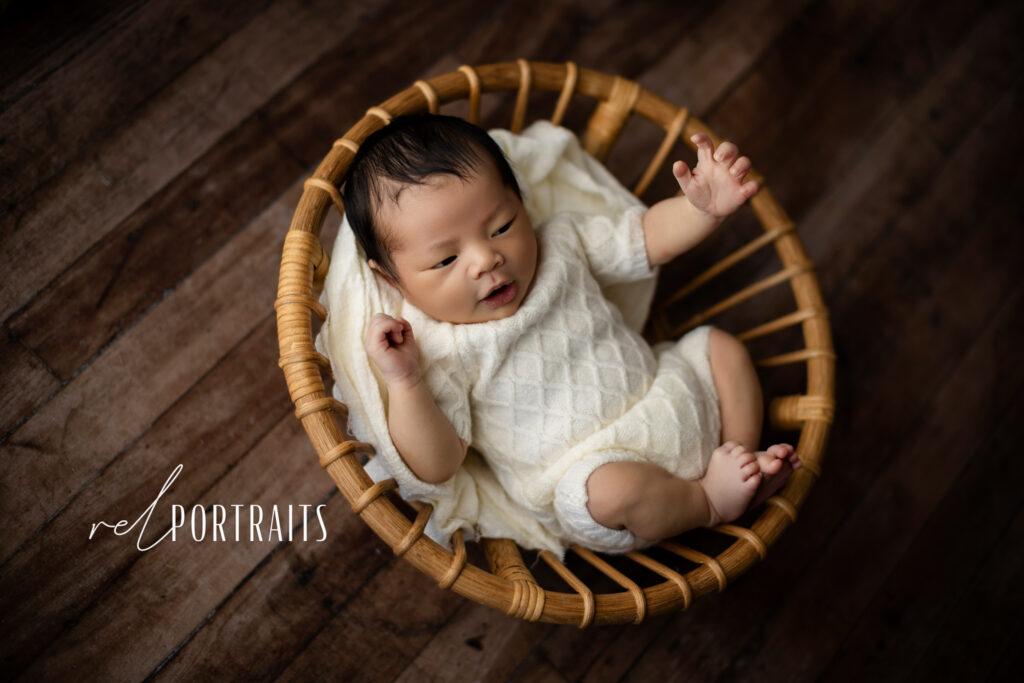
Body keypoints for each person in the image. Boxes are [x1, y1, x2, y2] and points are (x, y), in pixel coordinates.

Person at [342, 113, 800, 553]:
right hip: (596, 477)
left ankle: (739, 456)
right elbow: (437, 464)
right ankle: (710, 503)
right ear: (391, 279)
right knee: (608, 491)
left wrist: (701, 211)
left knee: (719, 347)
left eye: (502, 227)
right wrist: (405, 382)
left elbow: (645, 237)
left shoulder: (561, 244)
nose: (486, 260)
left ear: (521, 204)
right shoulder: (438, 348)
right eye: (445, 261)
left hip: (671, 395)